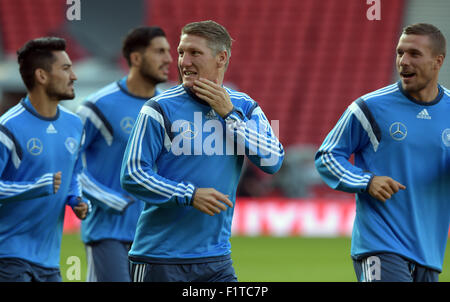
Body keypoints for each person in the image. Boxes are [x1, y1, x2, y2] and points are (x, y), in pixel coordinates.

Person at [120, 20, 284, 282]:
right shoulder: (158, 108)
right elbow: (133, 174)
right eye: (182, 52)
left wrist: (229, 115)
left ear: (221, 58)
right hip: (159, 259)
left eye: (195, 53)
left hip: (217, 260)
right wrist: (189, 194)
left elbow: (273, 161)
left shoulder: (245, 107)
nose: (184, 62)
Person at [315, 23, 449, 282]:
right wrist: (366, 181)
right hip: (379, 245)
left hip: (429, 252)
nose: (403, 61)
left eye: (414, 54)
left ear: (438, 61)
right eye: (400, 53)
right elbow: (327, 156)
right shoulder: (369, 107)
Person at [76, 26, 173, 282]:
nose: (168, 59)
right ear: (136, 58)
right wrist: (105, 198)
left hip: (152, 236)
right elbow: (67, 160)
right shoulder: (98, 106)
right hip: (108, 232)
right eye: (159, 52)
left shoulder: (168, 108)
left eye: (169, 52)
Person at [0, 37, 89, 282]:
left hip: (49, 261)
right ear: (41, 76)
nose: (74, 76)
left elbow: (75, 174)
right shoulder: (7, 128)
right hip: (9, 257)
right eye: (65, 68)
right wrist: (35, 188)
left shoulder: (74, 125)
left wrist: (76, 198)